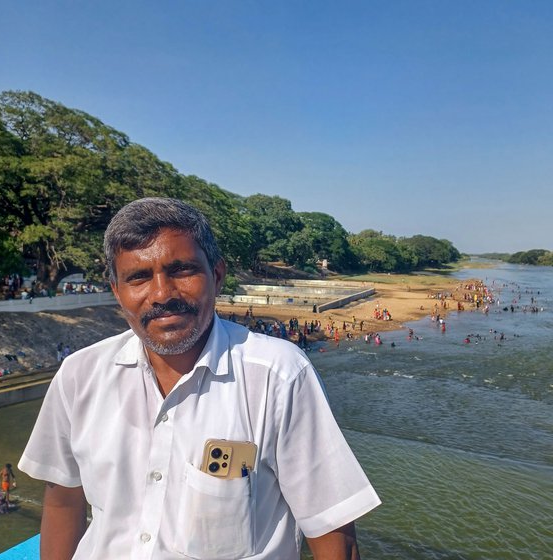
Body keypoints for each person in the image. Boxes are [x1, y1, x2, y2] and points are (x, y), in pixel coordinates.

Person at [19, 197, 380, 559]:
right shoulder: (80, 375)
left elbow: (332, 531)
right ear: (117, 291)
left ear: (217, 275)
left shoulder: (278, 376)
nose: (162, 294)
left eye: (181, 270)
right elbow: (63, 500)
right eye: (139, 277)